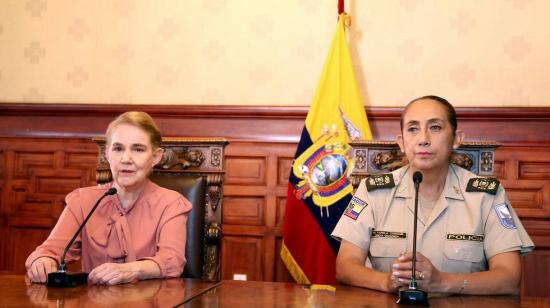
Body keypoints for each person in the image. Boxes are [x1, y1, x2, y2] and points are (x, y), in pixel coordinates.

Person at [331, 95, 534, 295]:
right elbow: (345, 266)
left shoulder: (487, 195)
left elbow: (509, 277)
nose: (423, 140)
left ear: (456, 139)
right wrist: (386, 281)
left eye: (435, 127)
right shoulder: (372, 192)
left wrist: (443, 282)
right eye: (413, 129)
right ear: (401, 142)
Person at [26, 111, 192, 285]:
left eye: (138, 149)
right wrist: (42, 261)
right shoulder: (83, 200)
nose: (126, 159)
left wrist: (130, 270)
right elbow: (49, 251)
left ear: (156, 157)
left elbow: (172, 261)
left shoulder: (171, 203)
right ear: (107, 155)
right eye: (118, 148)